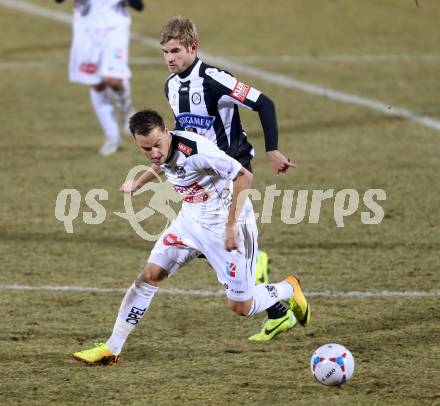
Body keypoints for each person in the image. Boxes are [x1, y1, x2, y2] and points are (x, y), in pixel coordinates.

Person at [72, 109, 311, 365]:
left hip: (227, 226)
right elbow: (161, 162)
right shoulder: (161, 149)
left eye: (156, 144)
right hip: (188, 223)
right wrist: (139, 183)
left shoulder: (197, 150)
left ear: (166, 131)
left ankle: (288, 288)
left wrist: (231, 226)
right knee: (149, 276)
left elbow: (244, 176)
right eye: (145, 148)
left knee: (241, 307)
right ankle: (112, 347)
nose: (153, 152)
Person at [162, 16, 295, 341]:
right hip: (201, 177)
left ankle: (280, 302)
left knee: (216, 242)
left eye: (176, 50)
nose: (169, 58)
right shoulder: (170, 86)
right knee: (208, 243)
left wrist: (273, 150)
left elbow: (264, 103)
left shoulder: (215, 79)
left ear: (193, 48)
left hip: (232, 174)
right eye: (165, 52)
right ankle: (261, 278)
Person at [55, 0, 144, 156]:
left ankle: (127, 110)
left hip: (115, 27)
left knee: (114, 79)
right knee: (97, 84)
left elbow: (139, 5)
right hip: (86, 29)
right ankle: (112, 137)